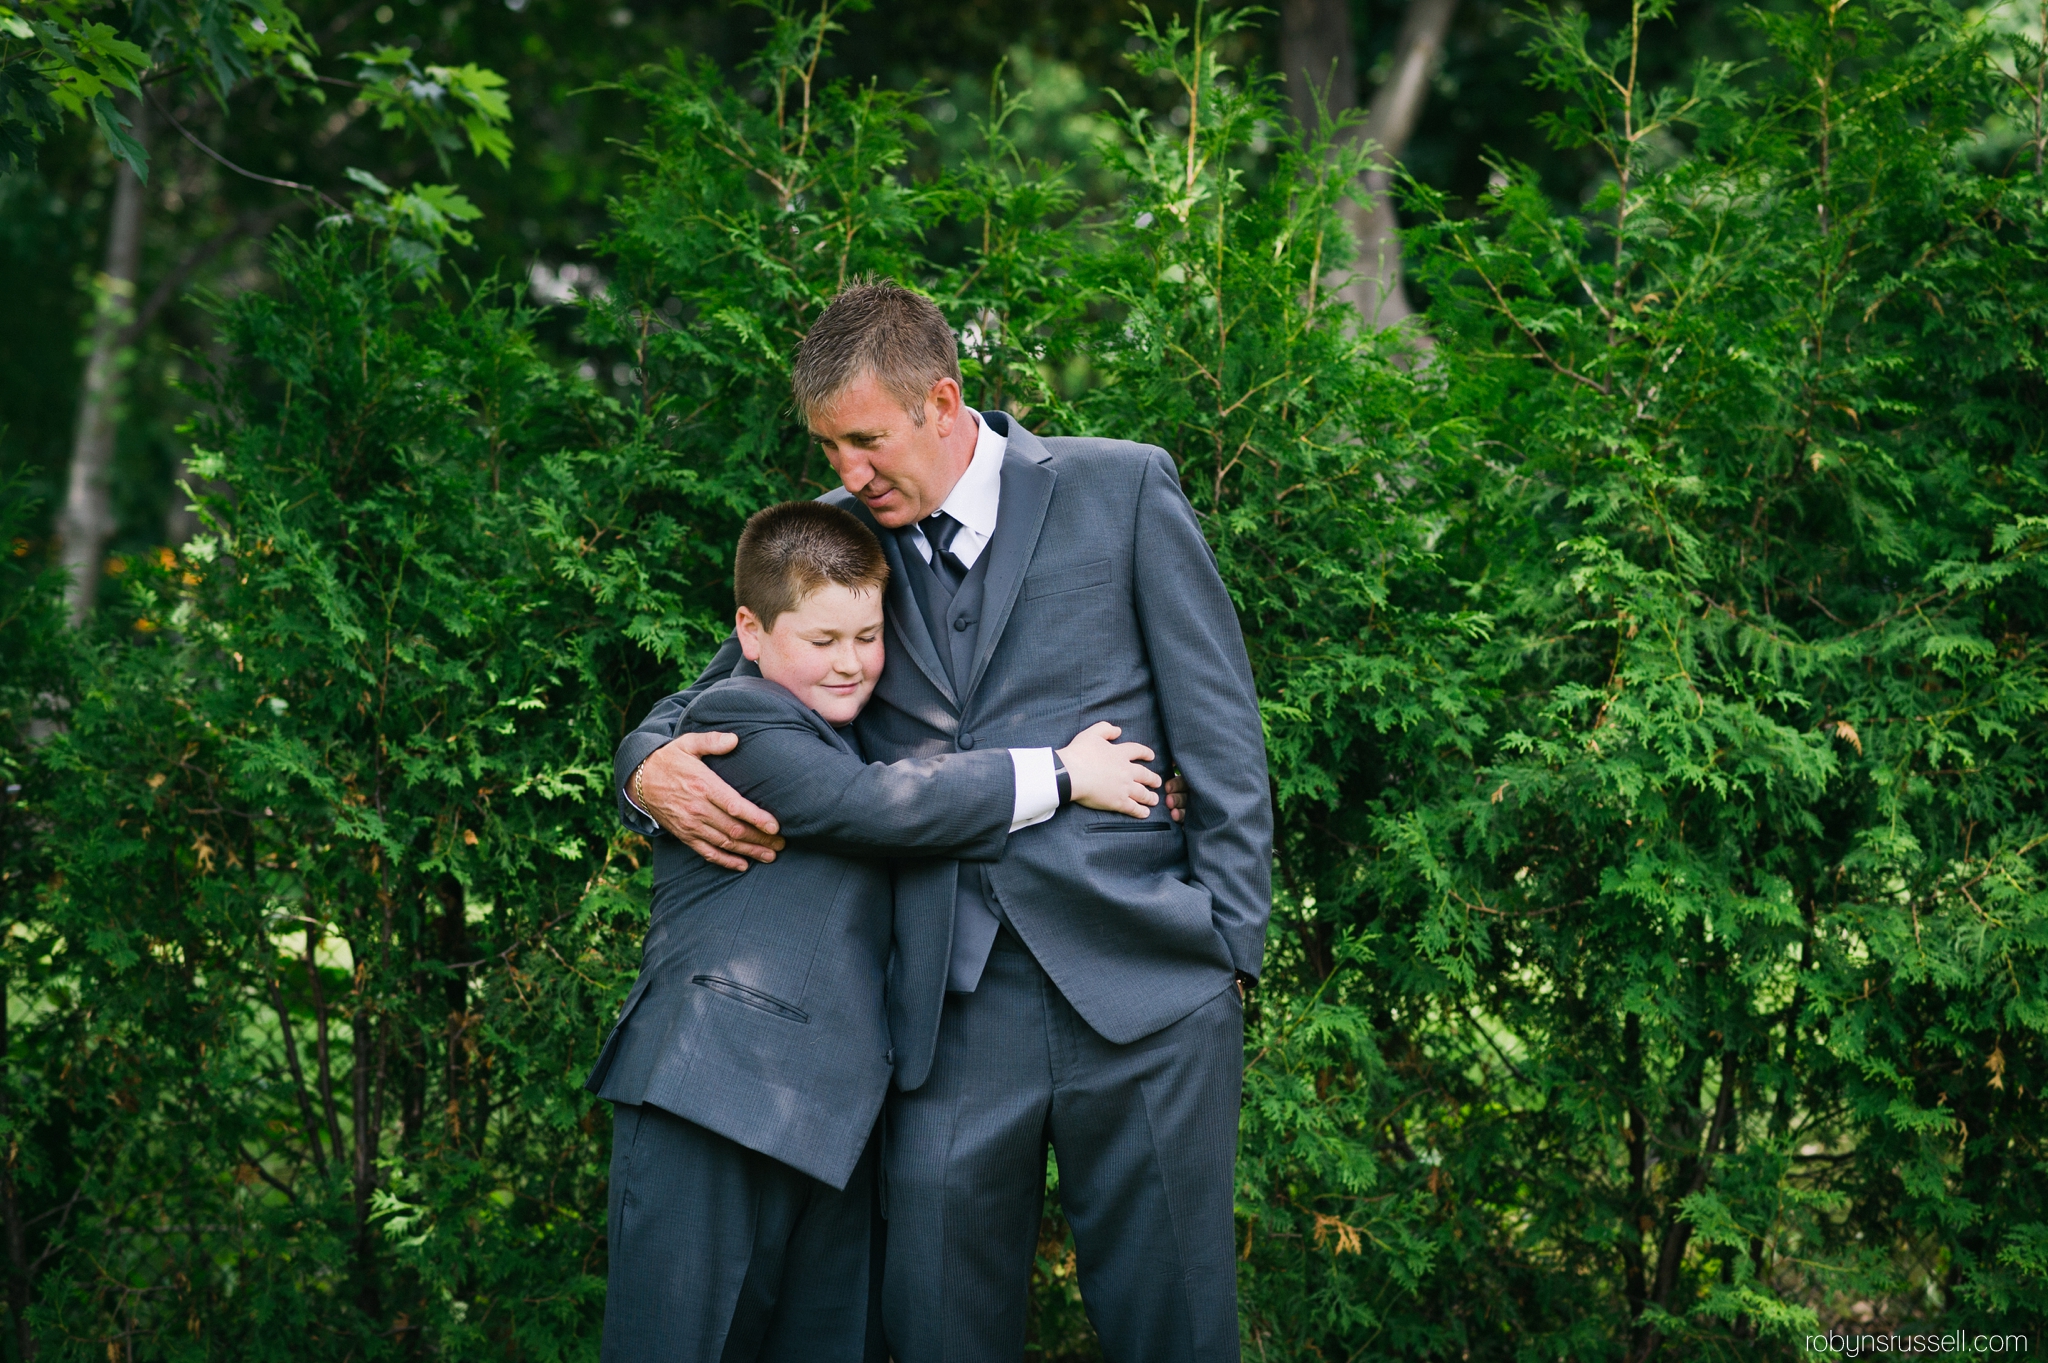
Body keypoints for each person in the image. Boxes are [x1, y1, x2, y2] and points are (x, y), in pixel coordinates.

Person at [619, 281, 1273, 1362]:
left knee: (1176, 1328)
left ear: (942, 400)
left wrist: (1225, 948)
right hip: (944, 1013)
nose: (847, 474)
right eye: (829, 448)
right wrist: (643, 773)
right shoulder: (831, 546)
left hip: (1149, 988)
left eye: (866, 442)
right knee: (933, 1330)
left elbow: (1222, 733)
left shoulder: (1121, 489)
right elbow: (695, 711)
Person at [590, 499, 1162, 1362]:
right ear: (750, 631)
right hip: (714, 1091)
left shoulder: (848, 727)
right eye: (822, 642)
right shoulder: (741, 721)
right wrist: (1062, 771)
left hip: (839, 1123)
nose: (852, 664)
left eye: (868, 636)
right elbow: (881, 807)